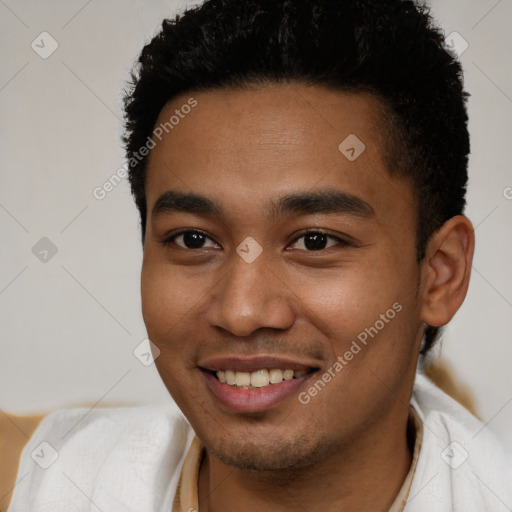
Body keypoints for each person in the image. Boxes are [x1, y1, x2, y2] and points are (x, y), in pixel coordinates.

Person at [6, 0, 512, 510]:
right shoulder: (47, 484)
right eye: (193, 239)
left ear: (440, 274)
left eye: (315, 241)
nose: (241, 312)